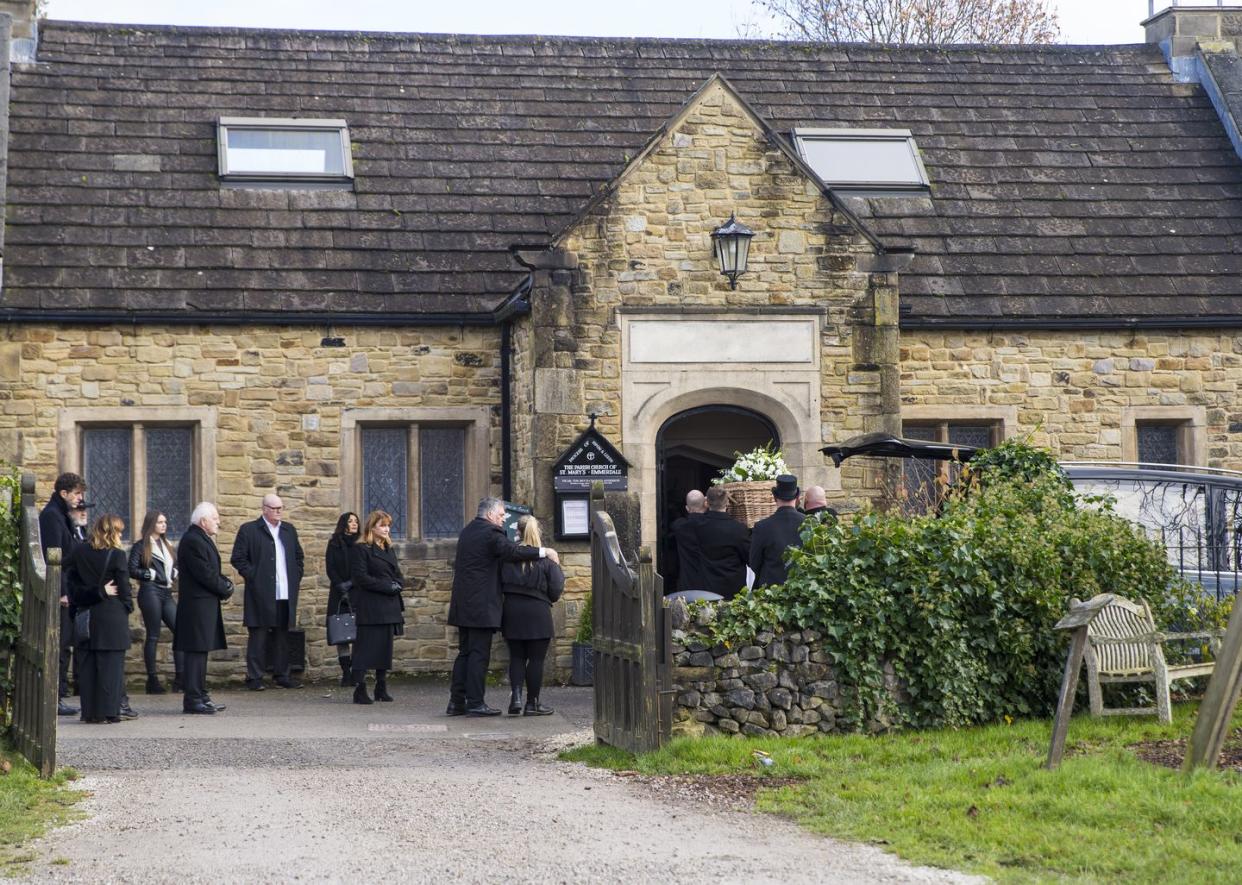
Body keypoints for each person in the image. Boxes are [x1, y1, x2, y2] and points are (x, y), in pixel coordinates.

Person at [447, 497, 557, 717]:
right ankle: (476, 703)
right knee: (478, 654)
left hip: (463, 604)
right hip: (480, 606)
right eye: (500, 515)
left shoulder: (467, 531)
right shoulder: (491, 533)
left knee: (465, 654)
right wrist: (543, 552)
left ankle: (456, 702)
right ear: (489, 515)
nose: (502, 519)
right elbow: (512, 552)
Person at [230, 493, 305, 690]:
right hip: (260, 593)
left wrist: (296, 576)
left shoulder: (289, 530)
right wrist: (253, 576)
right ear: (264, 509)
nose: (279, 511)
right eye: (274, 508)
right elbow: (238, 558)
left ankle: (282, 674)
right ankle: (254, 677)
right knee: (258, 635)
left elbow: (299, 557)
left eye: (280, 508)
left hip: (285, 592)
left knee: (282, 635)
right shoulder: (249, 530)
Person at [64, 514, 132, 724]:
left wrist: (92, 593)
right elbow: (124, 587)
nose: (121, 535)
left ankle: (91, 712)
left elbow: (72, 584)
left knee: (88, 667)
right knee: (111, 667)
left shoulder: (79, 551)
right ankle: (109, 711)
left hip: (86, 614)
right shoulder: (117, 555)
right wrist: (126, 605)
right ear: (111, 532)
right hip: (111, 616)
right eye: (119, 531)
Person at [500, 515, 565, 716]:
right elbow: (556, 589)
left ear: (517, 532)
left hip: (512, 611)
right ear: (538, 533)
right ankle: (532, 704)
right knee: (536, 660)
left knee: (517, 657)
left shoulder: (508, 557)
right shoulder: (548, 560)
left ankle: (516, 699)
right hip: (538, 613)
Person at [174, 503, 232, 715]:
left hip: (204, 604)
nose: (219, 522)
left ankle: (201, 694)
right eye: (215, 518)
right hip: (196, 606)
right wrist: (224, 587)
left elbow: (211, 570)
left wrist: (225, 583)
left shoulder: (200, 539)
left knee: (201, 652)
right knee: (195, 652)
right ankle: (193, 698)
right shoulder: (192, 541)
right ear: (203, 521)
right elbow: (204, 573)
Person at [37, 472, 87, 717]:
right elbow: (53, 558)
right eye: (77, 493)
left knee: (65, 645)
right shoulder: (51, 516)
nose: (80, 498)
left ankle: (59, 696)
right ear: (63, 493)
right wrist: (61, 592)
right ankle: (54, 699)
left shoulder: (61, 515)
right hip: (61, 590)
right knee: (58, 647)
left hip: (67, 588)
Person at [348, 511, 405, 705]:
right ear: (372, 527)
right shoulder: (361, 549)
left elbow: (397, 572)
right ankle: (360, 688)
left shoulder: (388, 548)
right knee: (364, 649)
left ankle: (381, 687)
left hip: (389, 606)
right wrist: (387, 586)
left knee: (384, 648)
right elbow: (361, 578)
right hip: (371, 606)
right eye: (382, 525)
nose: (387, 529)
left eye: (388, 525)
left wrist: (398, 584)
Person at [128, 511, 184, 695]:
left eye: (165, 521)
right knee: (153, 635)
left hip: (166, 592)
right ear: (151, 524)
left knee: (181, 631)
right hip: (150, 590)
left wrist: (175, 572)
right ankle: (152, 680)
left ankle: (181, 678)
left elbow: (175, 565)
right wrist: (149, 574)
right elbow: (132, 568)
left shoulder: (167, 545)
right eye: (160, 522)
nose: (164, 525)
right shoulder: (141, 546)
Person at [749, 474, 807, 588]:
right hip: (802, 590)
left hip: (771, 592)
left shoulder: (762, 527)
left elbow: (754, 563)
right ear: (797, 497)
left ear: (775, 497)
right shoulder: (809, 523)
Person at [695, 486, 750, 600]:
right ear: (727, 503)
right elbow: (749, 558)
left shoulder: (698, 526)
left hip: (707, 591)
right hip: (734, 591)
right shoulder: (739, 529)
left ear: (707, 503)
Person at [324, 512, 360, 687]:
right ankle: (346, 672)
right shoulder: (334, 543)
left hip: (358, 591)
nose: (354, 524)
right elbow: (330, 567)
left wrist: (352, 583)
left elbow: (362, 566)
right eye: (350, 521)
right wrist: (341, 585)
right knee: (341, 633)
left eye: (356, 521)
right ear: (343, 524)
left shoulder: (361, 544)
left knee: (358, 632)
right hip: (338, 593)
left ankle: (356, 671)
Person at [669, 490, 707, 593]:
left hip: (687, 585)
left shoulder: (680, 526)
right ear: (705, 504)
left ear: (687, 508)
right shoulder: (712, 525)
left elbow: (675, 524)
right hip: (710, 585)